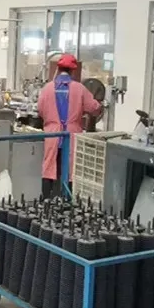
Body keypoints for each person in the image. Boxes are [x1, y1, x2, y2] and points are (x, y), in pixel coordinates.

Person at [37, 53, 101, 199]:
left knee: (49, 168)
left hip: (52, 135)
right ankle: (67, 202)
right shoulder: (80, 89)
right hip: (71, 135)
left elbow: (40, 110)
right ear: (73, 71)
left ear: (58, 69)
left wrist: (52, 120)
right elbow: (94, 108)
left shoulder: (47, 88)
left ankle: (46, 202)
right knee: (71, 170)